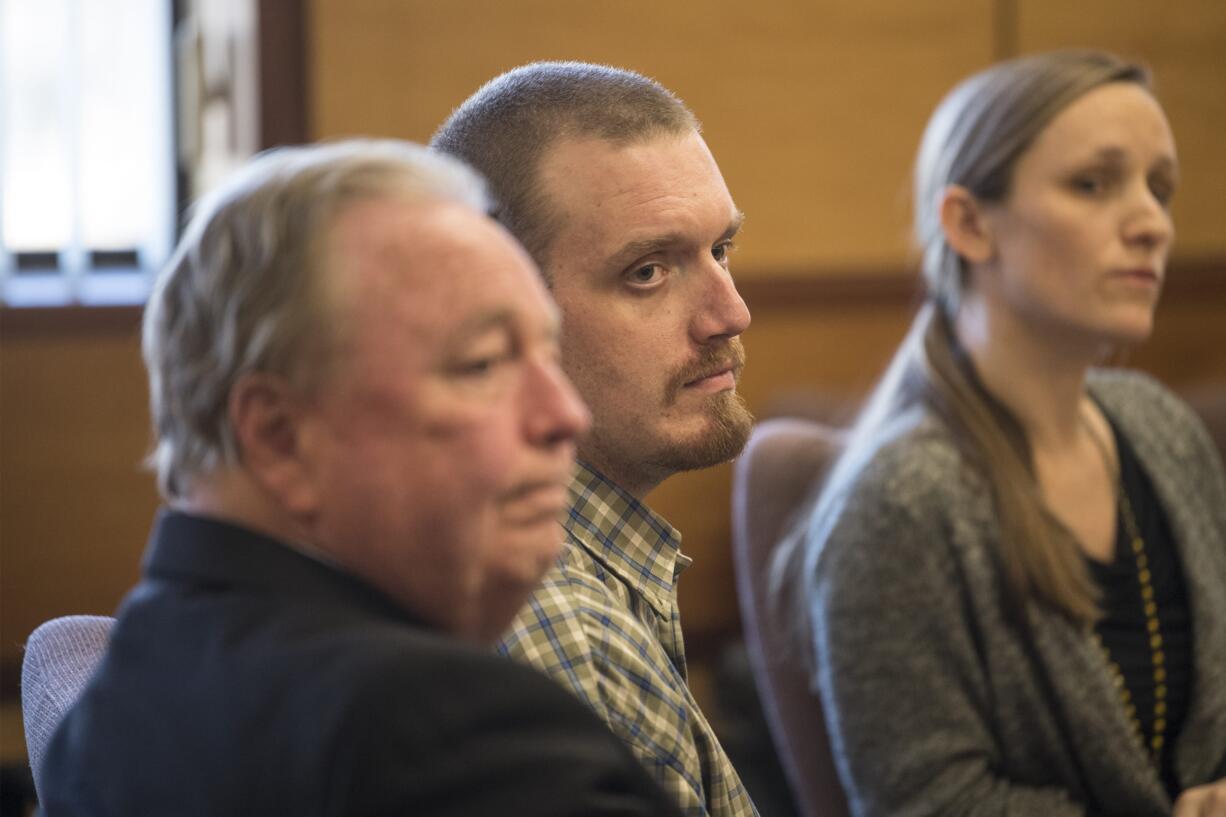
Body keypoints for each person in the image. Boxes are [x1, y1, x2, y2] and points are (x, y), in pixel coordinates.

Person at [38, 139, 688, 817]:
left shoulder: (125, 696)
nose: (564, 414)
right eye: (483, 365)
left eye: (548, 356)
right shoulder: (447, 734)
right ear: (280, 439)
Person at [772, 50, 1226, 817]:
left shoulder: (1161, 426)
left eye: (1160, 188)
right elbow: (930, 802)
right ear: (970, 223)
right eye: (1094, 183)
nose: (1152, 223)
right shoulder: (898, 502)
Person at [432, 62, 758, 817]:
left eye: (723, 250)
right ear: (496, 310)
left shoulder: (593, 567)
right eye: (648, 272)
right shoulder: (552, 625)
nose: (730, 312)